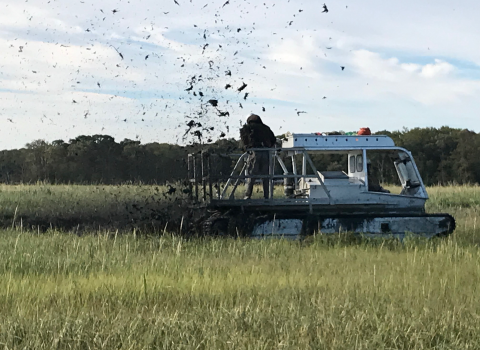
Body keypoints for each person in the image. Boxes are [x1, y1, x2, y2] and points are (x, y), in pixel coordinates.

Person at [240, 114, 276, 199]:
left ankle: (248, 195)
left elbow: (244, 141)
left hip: (254, 152)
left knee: (251, 174)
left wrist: (246, 148)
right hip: (266, 153)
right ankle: (267, 196)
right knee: (266, 176)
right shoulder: (266, 128)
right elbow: (273, 140)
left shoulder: (248, 128)